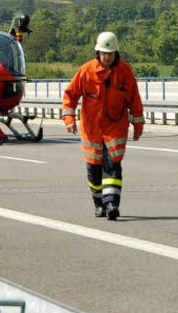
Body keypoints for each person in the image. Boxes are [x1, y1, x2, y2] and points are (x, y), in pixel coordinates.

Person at [61, 31, 144, 221]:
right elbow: (70, 95)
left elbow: (134, 100)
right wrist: (69, 119)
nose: (107, 57)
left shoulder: (125, 71)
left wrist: (138, 124)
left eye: (110, 54)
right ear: (97, 52)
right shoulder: (86, 71)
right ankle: (99, 203)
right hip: (92, 130)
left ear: (116, 54)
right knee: (94, 169)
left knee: (112, 165)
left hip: (115, 128)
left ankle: (112, 203)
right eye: (104, 53)